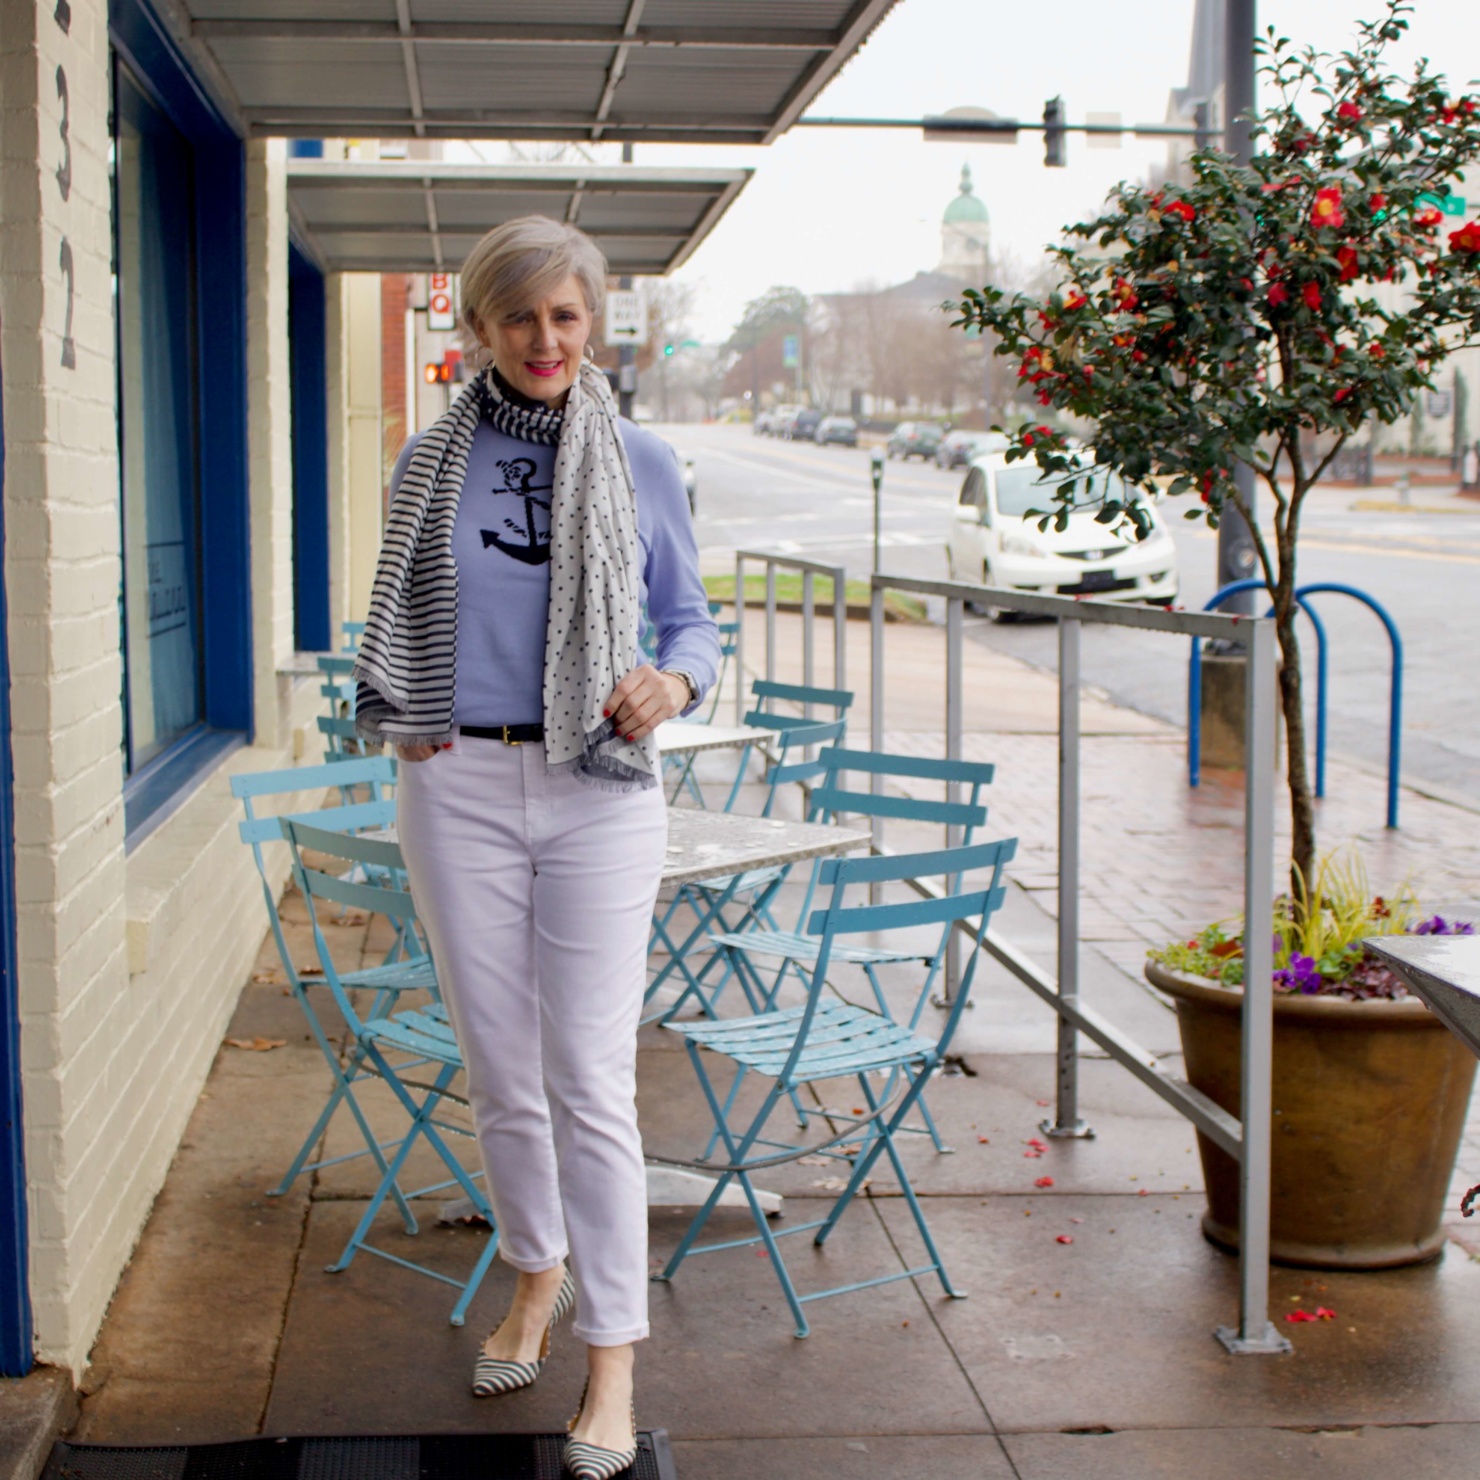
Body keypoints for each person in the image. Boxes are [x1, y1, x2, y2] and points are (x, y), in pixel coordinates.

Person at [353, 216, 718, 1479]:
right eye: (519, 317)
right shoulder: (426, 465)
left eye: (565, 315)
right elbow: (396, 607)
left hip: (596, 785)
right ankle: (533, 1271)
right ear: (478, 328)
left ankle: (612, 1355)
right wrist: (408, 712)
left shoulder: (642, 458)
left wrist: (672, 684)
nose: (543, 339)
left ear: (594, 322)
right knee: (500, 1070)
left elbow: (692, 624)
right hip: (455, 777)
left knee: (590, 1083)